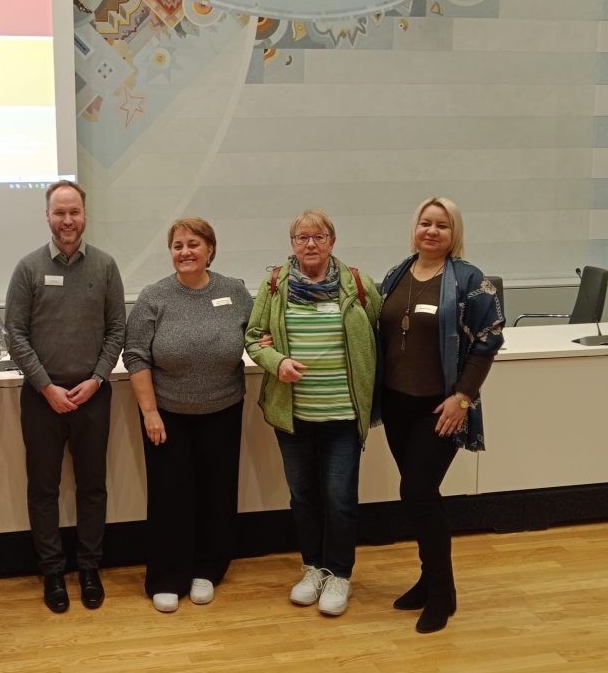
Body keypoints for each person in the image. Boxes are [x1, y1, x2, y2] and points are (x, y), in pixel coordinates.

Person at [245, 210, 380, 617]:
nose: (310, 244)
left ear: (332, 242)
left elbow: (381, 330)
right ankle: (312, 568)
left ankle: (339, 574)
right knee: (303, 497)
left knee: (340, 499)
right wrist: (276, 361)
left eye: (318, 236)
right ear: (292, 244)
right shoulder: (274, 285)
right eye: (301, 237)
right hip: (294, 416)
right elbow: (253, 338)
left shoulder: (358, 284)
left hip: (343, 414)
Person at [378, 197, 503, 633]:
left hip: (441, 408)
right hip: (396, 405)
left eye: (442, 226)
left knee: (416, 492)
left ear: (455, 234)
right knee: (422, 497)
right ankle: (429, 581)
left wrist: (463, 397)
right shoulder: (396, 274)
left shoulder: (470, 280)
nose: (432, 231)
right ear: (415, 228)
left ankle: (440, 593)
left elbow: (488, 340)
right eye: (425, 223)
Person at [5, 179, 125, 613]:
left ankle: (89, 567)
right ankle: (52, 571)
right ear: (48, 216)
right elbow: (14, 333)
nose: (67, 220)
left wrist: (96, 379)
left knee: (93, 487)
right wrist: (46, 386)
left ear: (85, 214)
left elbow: (117, 330)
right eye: (60, 212)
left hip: (93, 395)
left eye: (74, 211)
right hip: (42, 398)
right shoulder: (28, 268)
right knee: (44, 488)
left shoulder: (106, 266)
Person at [123, 218, 252, 613]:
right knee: (170, 496)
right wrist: (150, 412)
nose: (185, 252)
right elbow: (136, 355)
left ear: (210, 250)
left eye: (193, 244)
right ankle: (167, 576)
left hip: (223, 409)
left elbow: (258, 335)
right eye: (177, 245)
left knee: (217, 492)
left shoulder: (235, 291)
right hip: (168, 415)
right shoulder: (154, 296)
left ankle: (208, 570)